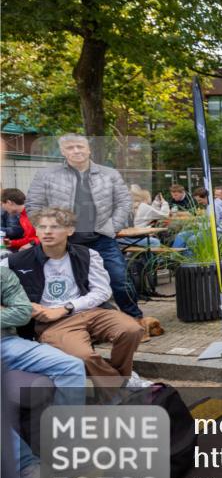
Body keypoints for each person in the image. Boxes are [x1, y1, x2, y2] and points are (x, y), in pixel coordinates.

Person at [3, 207, 144, 395]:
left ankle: (118, 383)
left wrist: (67, 307)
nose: (47, 232)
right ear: (35, 230)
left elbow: (102, 291)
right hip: (51, 322)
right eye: (42, 227)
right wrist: (26, 306)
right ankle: (121, 385)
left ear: (70, 230)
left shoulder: (87, 254)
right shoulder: (14, 261)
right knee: (82, 356)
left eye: (54, 227)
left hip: (91, 311)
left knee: (132, 329)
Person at [24, 133, 157, 332]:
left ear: (88, 149)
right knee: (70, 283)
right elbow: (34, 204)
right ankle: (77, 324)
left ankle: (135, 319)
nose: (76, 151)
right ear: (63, 151)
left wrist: (112, 228)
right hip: (65, 243)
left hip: (101, 239)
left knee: (119, 280)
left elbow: (123, 202)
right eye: (70, 148)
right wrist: (48, 229)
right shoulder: (47, 175)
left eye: (79, 146)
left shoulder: (109, 174)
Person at [1, 266, 86, 478]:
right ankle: (26, 467)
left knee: (72, 366)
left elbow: (20, 313)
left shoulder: (3, 275)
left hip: (6, 341)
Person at [172, 187, 222, 253]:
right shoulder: (209, 205)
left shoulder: (214, 206)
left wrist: (197, 224)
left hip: (217, 233)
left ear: (205, 197)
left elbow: (213, 224)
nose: (199, 202)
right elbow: (207, 219)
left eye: (199, 200)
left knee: (192, 240)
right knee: (181, 235)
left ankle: (190, 260)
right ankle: (174, 256)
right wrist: (196, 220)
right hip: (208, 230)